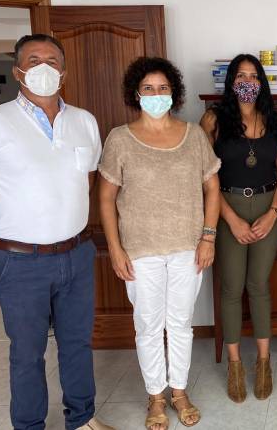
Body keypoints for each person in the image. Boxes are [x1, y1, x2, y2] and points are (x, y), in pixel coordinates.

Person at [0, 34, 113, 430]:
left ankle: (82, 419)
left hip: (76, 254)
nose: (44, 67)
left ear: (63, 72)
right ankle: (29, 425)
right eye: (34, 60)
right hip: (19, 262)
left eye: (52, 61)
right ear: (18, 71)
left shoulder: (83, 121)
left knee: (77, 343)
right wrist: (5, 229)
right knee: (28, 352)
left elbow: (85, 180)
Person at [98, 57, 221, 429]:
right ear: (136, 93)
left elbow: (212, 188)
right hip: (140, 250)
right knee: (149, 326)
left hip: (188, 246)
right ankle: (155, 396)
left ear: (174, 93)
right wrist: (115, 248)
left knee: (180, 324)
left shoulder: (193, 136)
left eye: (163, 88)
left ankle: (179, 391)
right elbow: (105, 197)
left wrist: (208, 237)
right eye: (148, 88)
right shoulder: (120, 139)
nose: (156, 94)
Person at [200, 54, 277, 403]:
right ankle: (235, 365)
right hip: (227, 209)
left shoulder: (273, 120)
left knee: (259, 286)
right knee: (231, 287)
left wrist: (273, 213)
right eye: (241, 76)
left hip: (268, 208)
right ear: (231, 81)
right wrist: (231, 219)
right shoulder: (213, 119)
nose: (248, 82)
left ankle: (264, 362)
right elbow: (204, 175)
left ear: (262, 82)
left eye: (254, 76)